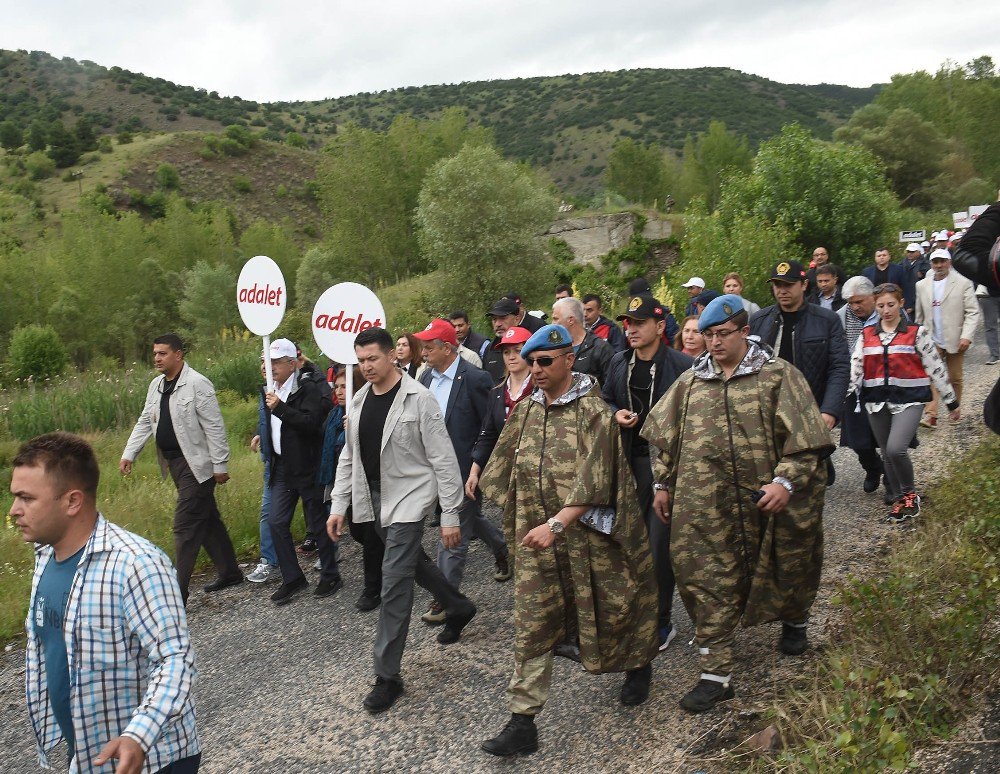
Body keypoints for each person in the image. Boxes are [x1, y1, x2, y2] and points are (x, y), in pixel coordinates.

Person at [642, 295, 832, 712]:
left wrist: (786, 481)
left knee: (788, 561)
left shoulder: (778, 376)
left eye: (722, 334)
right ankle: (716, 674)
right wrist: (662, 484)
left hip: (767, 500)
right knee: (703, 576)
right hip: (706, 506)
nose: (713, 343)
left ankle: (795, 618)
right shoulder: (691, 383)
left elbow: (808, 443)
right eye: (707, 335)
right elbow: (665, 441)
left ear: (745, 331)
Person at [479, 324, 659, 757]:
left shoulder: (594, 413)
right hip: (537, 544)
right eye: (530, 360)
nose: (534, 368)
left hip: (586, 540)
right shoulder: (526, 411)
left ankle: (638, 662)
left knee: (614, 606)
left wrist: (557, 523)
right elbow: (502, 466)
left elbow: (596, 480)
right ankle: (523, 721)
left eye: (544, 361)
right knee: (533, 622)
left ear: (568, 360)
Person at [14, 432, 200, 773]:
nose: (14, 510)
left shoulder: (137, 564)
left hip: (153, 760)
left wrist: (138, 736)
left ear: (72, 502)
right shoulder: (44, 557)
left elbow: (176, 660)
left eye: (26, 498)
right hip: (88, 755)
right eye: (15, 497)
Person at [327, 328, 477, 714]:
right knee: (411, 564)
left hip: (410, 499)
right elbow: (349, 458)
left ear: (392, 355)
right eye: (360, 360)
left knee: (394, 581)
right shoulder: (358, 401)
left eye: (373, 358)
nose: (366, 367)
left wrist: (449, 514)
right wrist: (338, 505)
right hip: (373, 498)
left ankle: (387, 676)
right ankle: (457, 606)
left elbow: (444, 459)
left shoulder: (419, 399)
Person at [120, 333, 242, 603]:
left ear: (178, 354)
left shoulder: (198, 384)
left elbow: (214, 427)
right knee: (207, 520)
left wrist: (220, 464)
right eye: (155, 354)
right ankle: (231, 572)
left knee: (184, 526)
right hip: (173, 463)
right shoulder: (156, 385)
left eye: (162, 353)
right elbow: (145, 421)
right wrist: (130, 453)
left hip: (197, 464)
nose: (157, 358)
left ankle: (177, 595)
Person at [604, 295, 694, 651]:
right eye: (628, 323)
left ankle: (661, 622)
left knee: (659, 547)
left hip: (666, 467)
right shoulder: (619, 362)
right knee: (628, 544)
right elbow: (606, 398)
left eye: (639, 323)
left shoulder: (682, 365)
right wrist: (615, 414)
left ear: (659, 327)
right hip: (629, 463)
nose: (631, 329)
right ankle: (635, 615)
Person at [413, 319, 510, 624]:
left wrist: (480, 467)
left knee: (452, 535)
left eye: (429, 347)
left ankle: (445, 596)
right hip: (434, 471)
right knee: (470, 521)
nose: (424, 352)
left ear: (447, 348)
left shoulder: (475, 378)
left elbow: (489, 425)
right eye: (423, 347)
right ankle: (502, 548)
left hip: (465, 470)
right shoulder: (426, 380)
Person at [848, 283, 960, 522]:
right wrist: (847, 394)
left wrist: (951, 400)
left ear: (900, 304)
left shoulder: (915, 332)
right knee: (886, 453)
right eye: (880, 306)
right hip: (876, 401)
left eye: (891, 304)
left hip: (909, 400)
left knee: (896, 448)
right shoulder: (866, 335)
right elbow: (856, 366)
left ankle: (910, 494)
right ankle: (899, 498)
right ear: (875, 307)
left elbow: (935, 366)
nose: (886, 310)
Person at [748, 261, 848, 485]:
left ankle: (818, 462)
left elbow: (839, 367)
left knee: (809, 475)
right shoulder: (759, 320)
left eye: (788, 284)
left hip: (809, 404)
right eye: (777, 285)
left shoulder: (826, 320)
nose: (782, 290)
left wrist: (830, 409)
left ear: (803, 285)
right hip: (768, 405)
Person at [263, 338, 340, 606]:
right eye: (267, 361)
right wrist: (260, 435)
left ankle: (331, 574)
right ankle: (293, 577)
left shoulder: (307, 388)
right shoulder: (270, 389)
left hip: (307, 465)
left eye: (275, 362)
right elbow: (271, 423)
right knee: (275, 520)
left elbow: (311, 424)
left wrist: (281, 408)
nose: (270, 366)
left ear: (292, 364)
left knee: (318, 523)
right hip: (282, 466)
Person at [319, 367, 384, 611]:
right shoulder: (337, 414)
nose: (339, 391)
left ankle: (372, 590)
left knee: (370, 537)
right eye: (336, 387)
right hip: (349, 483)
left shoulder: (368, 410)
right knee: (360, 532)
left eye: (344, 386)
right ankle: (413, 559)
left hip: (373, 483)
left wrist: (357, 425)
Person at [466, 327, 533, 502]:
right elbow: (488, 434)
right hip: (509, 474)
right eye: (506, 352)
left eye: (518, 351)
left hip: (536, 472)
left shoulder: (540, 389)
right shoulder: (497, 392)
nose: (511, 357)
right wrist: (474, 472)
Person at [914, 249, 979, 428]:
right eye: (935, 262)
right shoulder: (922, 285)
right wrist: (917, 337)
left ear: (949, 262)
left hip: (956, 338)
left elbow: (972, 312)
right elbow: (919, 315)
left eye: (942, 261)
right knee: (932, 376)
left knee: (955, 377)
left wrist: (967, 336)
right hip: (931, 339)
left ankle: (954, 408)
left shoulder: (963, 283)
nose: (939, 265)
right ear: (931, 264)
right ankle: (931, 415)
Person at [836, 276, 886, 496]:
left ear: (872, 297)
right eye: (850, 302)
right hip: (853, 385)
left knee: (889, 439)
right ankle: (873, 467)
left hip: (885, 384)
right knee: (858, 439)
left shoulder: (888, 312)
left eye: (859, 302)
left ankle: (894, 484)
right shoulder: (841, 317)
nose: (854, 306)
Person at [247, 359, 282, 584]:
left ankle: (328, 554)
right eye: (261, 361)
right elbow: (268, 421)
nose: (264, 366)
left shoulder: (295, 388)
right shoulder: (265, 391)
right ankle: (269, 561)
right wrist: (261, 434)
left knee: (315, 511)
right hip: (273, 464)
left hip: (297, 464)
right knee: (267, 513)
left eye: (270, 361)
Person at [551, 296, 613, 385]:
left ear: (570, 320)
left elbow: (611, 388)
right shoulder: (553, 347)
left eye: (556, 319)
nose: (552, 323)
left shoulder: (601, 349)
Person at [863, 247, 914, 314]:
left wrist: (908, 305)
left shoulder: (899, 270)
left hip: (893, 303)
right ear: (875, 258)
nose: (881, 257)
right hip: (875, 304)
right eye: (879, 256)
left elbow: (906, 287)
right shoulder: (868, 271)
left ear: (889, 257)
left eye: (884, 255)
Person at [483, 297, 522, 383]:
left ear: (517, 319)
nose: (497, 324)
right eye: (494, 319)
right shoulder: (489, 349)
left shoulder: (529, 345)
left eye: (503, 318)